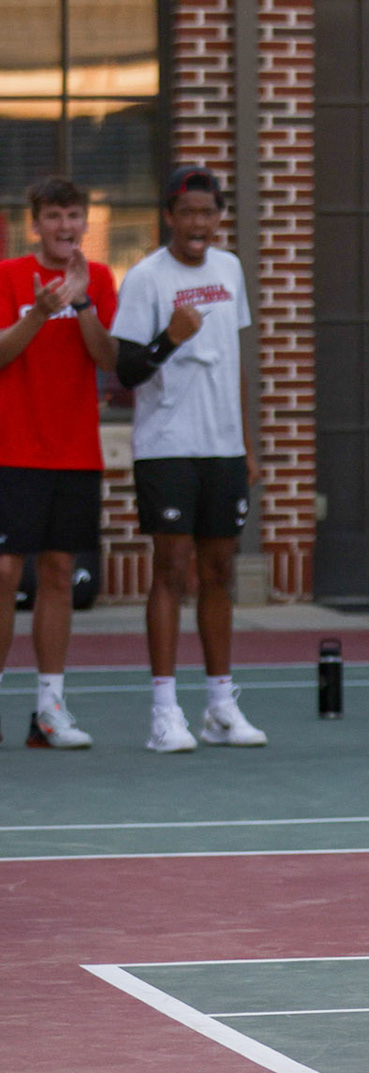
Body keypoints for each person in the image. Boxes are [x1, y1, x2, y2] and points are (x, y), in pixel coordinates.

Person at [110, 166, 267, 752]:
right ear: (169, 218)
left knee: (220, 572)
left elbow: (235, 362)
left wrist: (247, 445)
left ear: (217, 218)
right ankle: (163, 711)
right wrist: (169, 339)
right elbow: (126, 371)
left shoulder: (229, 269)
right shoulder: (147, 278)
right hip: (168, 447)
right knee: (171, 572)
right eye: (188, 212)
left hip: (222, 448)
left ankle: (221, 706)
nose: (198, 223)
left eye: (208, 212)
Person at [0, 177, 119, 749]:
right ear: (36, 224)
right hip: (13, 447)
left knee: (57, 575)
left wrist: (83, 305)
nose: (65, 226)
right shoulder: (9, 276)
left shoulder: (97, 278)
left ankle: (48, 710)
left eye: (74, 216)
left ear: (84, 223)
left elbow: (107, 358)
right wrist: (39, 314)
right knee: (2, 574)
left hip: (75, 450)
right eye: (53, 217)